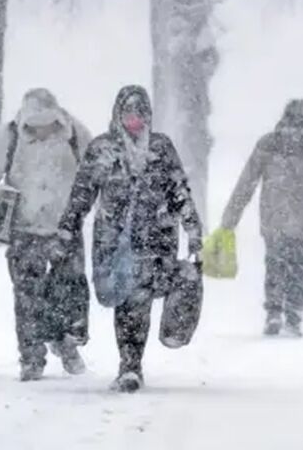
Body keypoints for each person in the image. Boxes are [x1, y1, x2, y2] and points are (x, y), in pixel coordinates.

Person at [58, 85, 203, 393]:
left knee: (145, 297)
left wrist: (193, 229)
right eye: (128, 113)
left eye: (140, 114)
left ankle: (136, 361)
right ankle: (130, 365)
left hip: (158, 238)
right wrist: (68, 227)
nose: (134, 120)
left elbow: (179, 191)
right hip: (116, 242)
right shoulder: (102, 149)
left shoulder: (161, 148)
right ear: (118, 115)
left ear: (148, 115)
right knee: (130, 302)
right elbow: (82, 193)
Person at [0, 89, 92, 381]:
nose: (41, 132)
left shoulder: (77, 134)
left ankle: (65, 342)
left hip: (66, 228)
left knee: (69, 292)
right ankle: (31, 358)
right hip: (24, 230)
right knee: (27, 297)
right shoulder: (10, 135)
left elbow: (95, 175)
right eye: (34, 128)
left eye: (47, 126)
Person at [218, 99, 303, 338]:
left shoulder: (269, 144)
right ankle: (293, 315)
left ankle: (273, 310)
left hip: (274, 219)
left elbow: (246, 183)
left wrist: (231, 217)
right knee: (300, 267)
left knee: (275, 263)